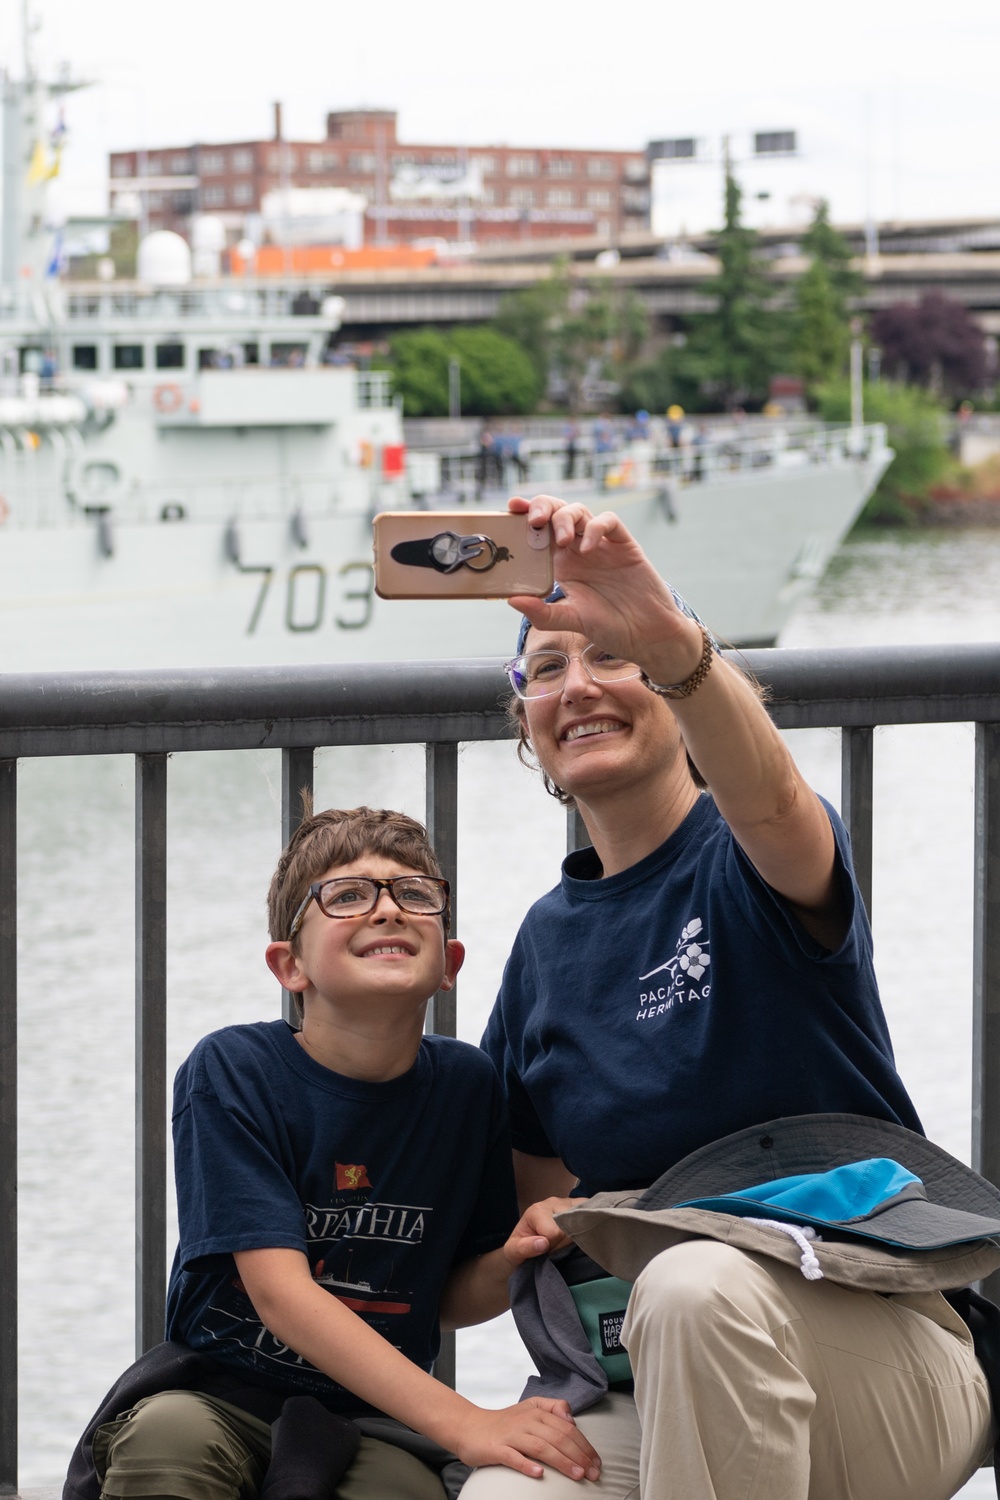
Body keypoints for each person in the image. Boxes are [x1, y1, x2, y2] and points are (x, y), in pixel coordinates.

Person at [463, 495, 995, 1500]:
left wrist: (668, 638)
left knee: (693, 1288)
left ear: (671, 694)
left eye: (607, 657)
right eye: (545, 669)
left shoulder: (751, 857)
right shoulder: (544, 944)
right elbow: (543, 1216)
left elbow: (770, 798)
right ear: (526, 726)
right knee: (508, 1491)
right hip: (669, 1369)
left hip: (882, 1349)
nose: (577, 686)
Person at [70, 806, 600, 1500]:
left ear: (450, 963)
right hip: (215, 1394)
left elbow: (442, 1295)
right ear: (289, 966)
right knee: (168, 1443)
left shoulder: (469, 1089)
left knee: (399, 1491)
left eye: (414, 894)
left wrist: (513, 1257)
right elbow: (281, 1296)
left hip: (375, 1419)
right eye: (348, 896)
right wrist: (467, 1421)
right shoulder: (233, 1070)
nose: (387, 910)